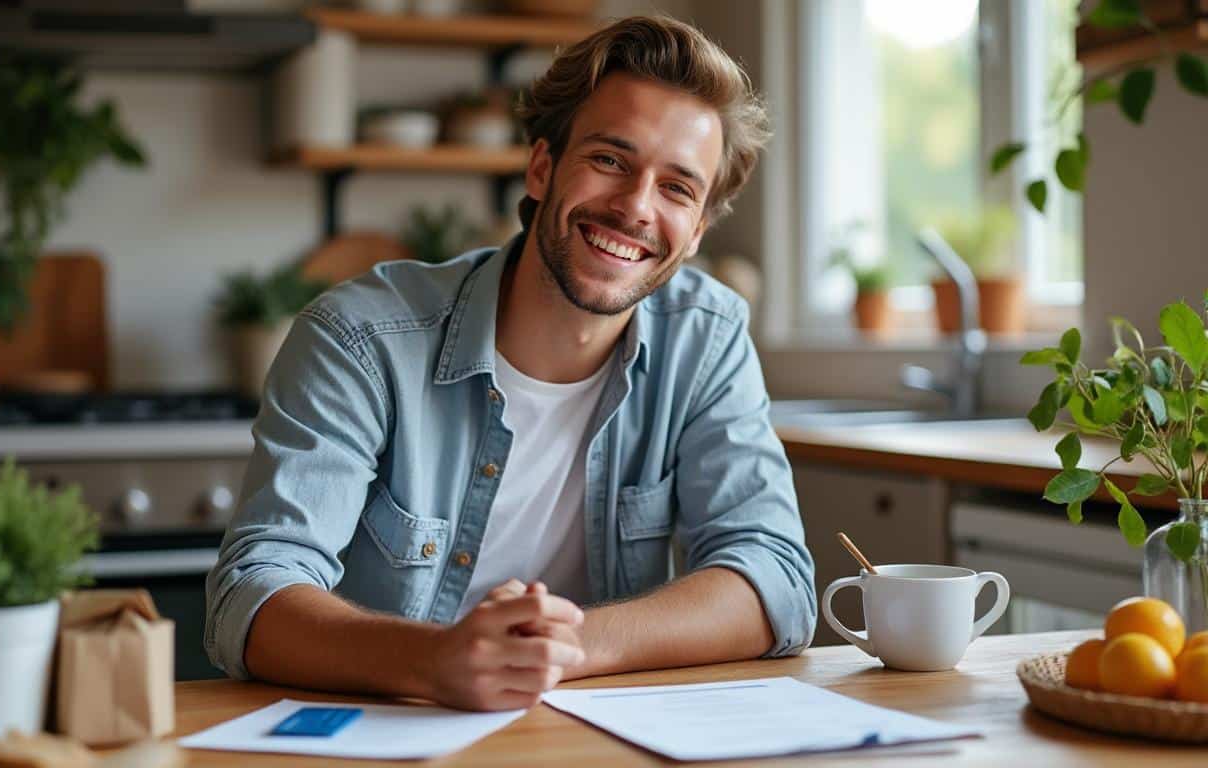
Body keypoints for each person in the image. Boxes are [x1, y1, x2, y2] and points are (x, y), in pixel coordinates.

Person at [205, 14, 815, 712]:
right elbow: (251, 595)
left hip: (587, 737)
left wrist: (566, 648)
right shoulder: (361, 338)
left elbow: (775, 579)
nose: (636, 208)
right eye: (610, 160)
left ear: (698, 229)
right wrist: (435, 662)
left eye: (677, 188)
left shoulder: (707, 338)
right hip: (390, 731)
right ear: (541, 167)